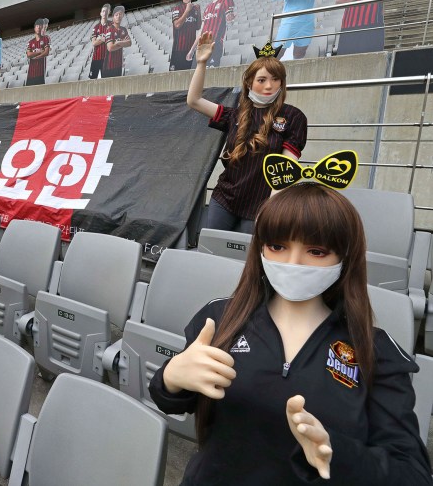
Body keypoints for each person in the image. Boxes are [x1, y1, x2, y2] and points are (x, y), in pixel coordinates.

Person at [149, 183, 433, 485]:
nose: (293, 264)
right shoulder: (220, 318)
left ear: (344, 257)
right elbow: (172, 400)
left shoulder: (376, 352)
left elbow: (412, 473)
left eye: (316, 251)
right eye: (277, 246)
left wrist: (340, 456)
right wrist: (171, 377)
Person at [187, 34, 307, 233]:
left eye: (276, 79)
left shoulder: (293, 117)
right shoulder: (235, 114)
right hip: (224, 200)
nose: (269, 86)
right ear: (249, 83)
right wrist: (201, 63)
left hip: (261, 206)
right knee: (211, 251)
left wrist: (272, 208)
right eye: (262, 80)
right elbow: (194, 100)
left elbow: (285, 171)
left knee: (246, 260)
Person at [188, 0, 236, 68]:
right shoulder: (207, 7)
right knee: (194, 76)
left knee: (207, 77)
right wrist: (191, 50)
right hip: (201, 46)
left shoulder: (226, 0)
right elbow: (201, 31)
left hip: (214, 45)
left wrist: (230, 19)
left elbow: (230, 19)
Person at [170, 0, 202, 71]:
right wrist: (187, 11)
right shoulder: (177, 8)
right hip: (179, 49)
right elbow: (177, 25)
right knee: (176, 77)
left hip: (191, 50)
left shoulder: (195, 8)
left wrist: (199, 12)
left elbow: (198, 26)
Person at [102, 6, 131, 78]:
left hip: (118, 65)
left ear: (123, 15)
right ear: (113, 17)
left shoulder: (123, 29)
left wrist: (118, 43)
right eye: (116, 15)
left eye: (120, 14)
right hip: (109, 66)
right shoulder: (109, 29)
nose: (118, 16)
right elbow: (110, 48)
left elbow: (129, 43)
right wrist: (123, 43)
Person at [89, 4, 112, 79]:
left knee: (106, 81)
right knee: (92, 80)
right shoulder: (96, 27)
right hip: (96, 58)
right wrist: (105, 39)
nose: (104, 13)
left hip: (107, 58)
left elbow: (112, 41)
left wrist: (101, 38)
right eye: (103, 11)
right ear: (100, 13)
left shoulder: (111, 25)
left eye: (106, 11)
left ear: (109, 12)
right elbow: (94, 43)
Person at [26, 18, 50, 86]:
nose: (39, 28)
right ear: (34, 28)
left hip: (40, 73)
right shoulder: (30, 42)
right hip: (31, 74)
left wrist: (35, 56)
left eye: (40, 26)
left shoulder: (46, 38)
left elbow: (46, 52)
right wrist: (39, 52)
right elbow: (28, 54)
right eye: (37, 26)